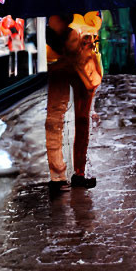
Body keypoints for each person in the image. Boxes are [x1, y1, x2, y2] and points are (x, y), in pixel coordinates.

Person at [45, 12, 103, 191]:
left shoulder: (89, 5)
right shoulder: (59, 9)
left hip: (82, 64)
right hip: (60, 63)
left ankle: (77, 173)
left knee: (82, 120)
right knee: (56, 119)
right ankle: (58, 175)